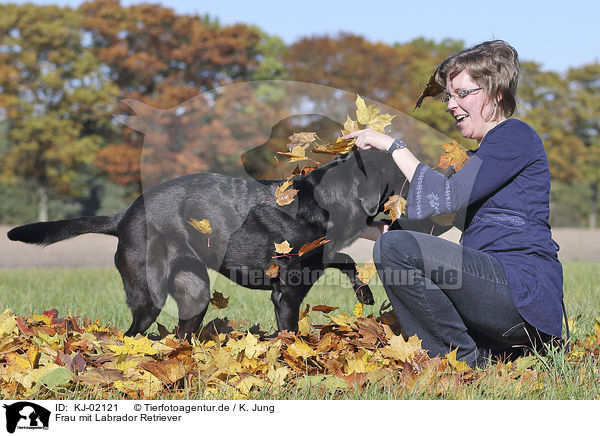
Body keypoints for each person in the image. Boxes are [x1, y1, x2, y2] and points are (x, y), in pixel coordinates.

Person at [343, 40, 564, 368]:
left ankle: (458, 363)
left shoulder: (514, 136)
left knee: (396, 247)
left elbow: (446, 197)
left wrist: (392, 145)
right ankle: (482, 355)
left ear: (496, 93)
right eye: (449, 96)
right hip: (495, 297)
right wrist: (350, 228)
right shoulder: (478, 160)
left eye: (462, 93)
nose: (450, 104)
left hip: (522, 294)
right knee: (395, 245)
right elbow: (423, 226)